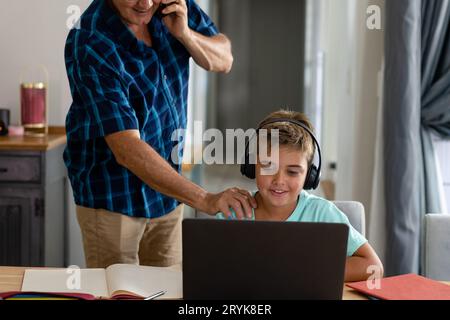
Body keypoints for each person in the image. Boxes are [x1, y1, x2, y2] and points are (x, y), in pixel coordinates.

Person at [64, 0, 256, 268]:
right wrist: (205, 199)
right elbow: (127, 149)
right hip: (112, 197)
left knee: (170, 291)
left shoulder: (173, 5)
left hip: (168, 194)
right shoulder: (90, 40)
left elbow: (224, 59)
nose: (146, 3)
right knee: (119, 295)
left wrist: (185, 34)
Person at [217, 110, 384, 282]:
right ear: (252, 166)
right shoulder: (234, 211)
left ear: (310, 176)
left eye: (292, 171)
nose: (279, 180)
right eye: (268, 166)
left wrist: (306, 271)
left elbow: (373, 266)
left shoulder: (323, 213)